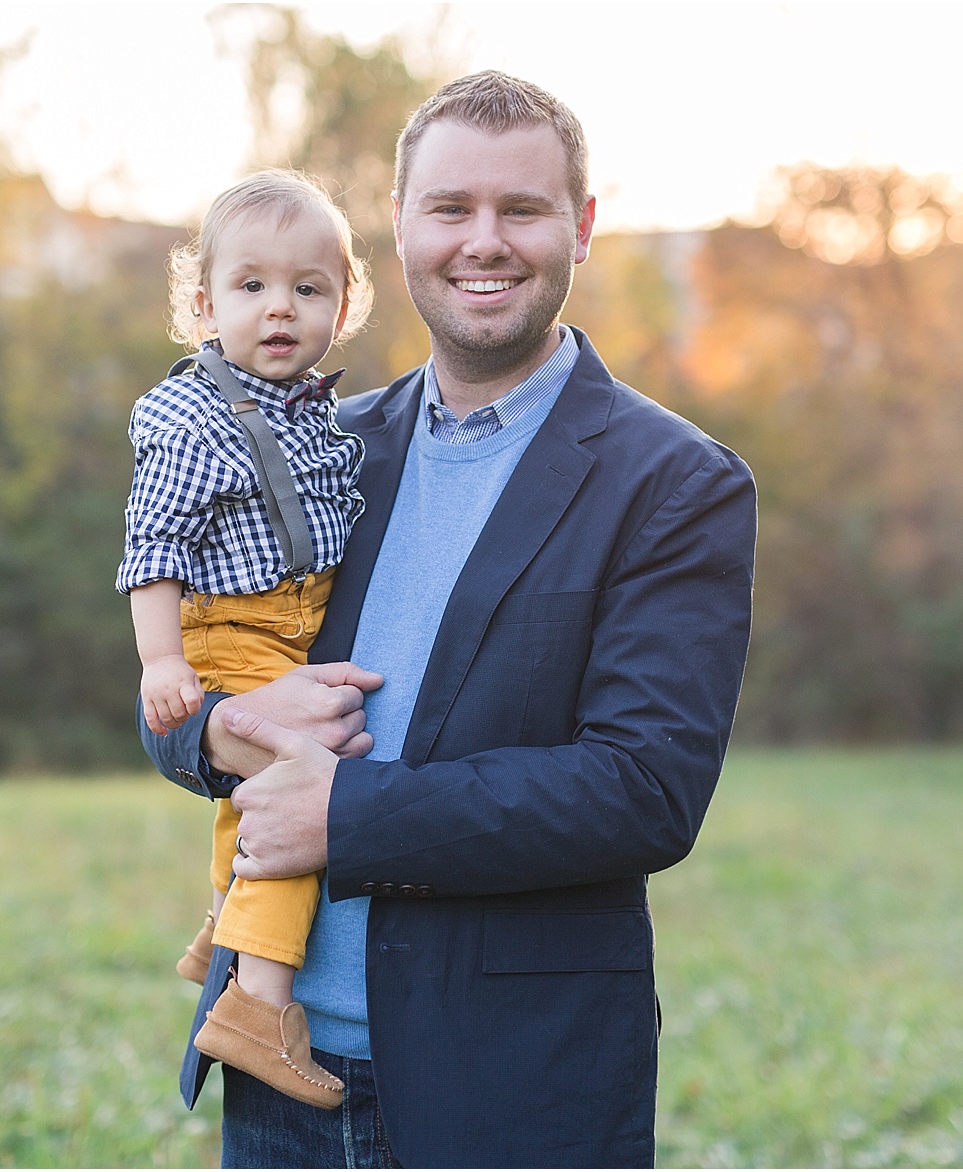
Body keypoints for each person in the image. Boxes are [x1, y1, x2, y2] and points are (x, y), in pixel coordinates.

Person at [144, 70, 757, 1168]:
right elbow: (183, 685)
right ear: (399, 229)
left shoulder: (674, 482)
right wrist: (225, 727)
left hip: (509, 1084)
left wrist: (350, 816)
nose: (486, 241)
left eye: (521, 209)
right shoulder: (322, 446)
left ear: (581, 227)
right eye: (451, 208)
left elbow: (645, 790)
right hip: (280, 1072)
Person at [118, 170, 370, 1109]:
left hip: (291, 623)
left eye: (308, 288)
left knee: (274, 792)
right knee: (301, 797)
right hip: (229, 630)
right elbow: (154, 545)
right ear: (202, 304)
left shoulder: (318, 410)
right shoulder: (190, 413)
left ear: (343, 307)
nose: (280, 309)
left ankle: (221, 922)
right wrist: (162, 660)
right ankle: (258, 1006)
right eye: (251, 286)